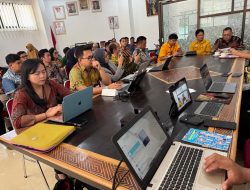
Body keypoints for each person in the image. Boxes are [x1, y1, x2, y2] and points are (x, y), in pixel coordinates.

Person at [11, 59, 70, 129]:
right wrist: (45, 115)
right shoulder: (21, 94)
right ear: (27, 76)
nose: (42, 76)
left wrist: (63, 105)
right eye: (37, 73)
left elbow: (69, 95)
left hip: (54, 125)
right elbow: (17, 122)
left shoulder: (50, 83)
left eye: (43, 71)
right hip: (35, 130)